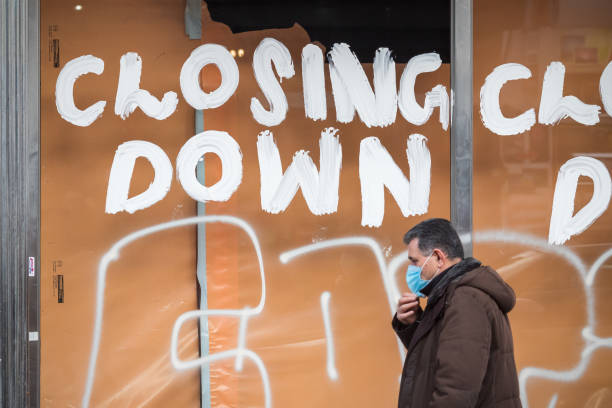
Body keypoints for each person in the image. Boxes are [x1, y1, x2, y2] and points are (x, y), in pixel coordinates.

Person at [393, 218, 521, 407]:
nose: (411, 269)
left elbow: (455, 391)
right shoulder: (451, 295)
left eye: (415, 261)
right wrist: (415, 323)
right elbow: (437, 358)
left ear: (438, 257)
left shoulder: (465, 300)